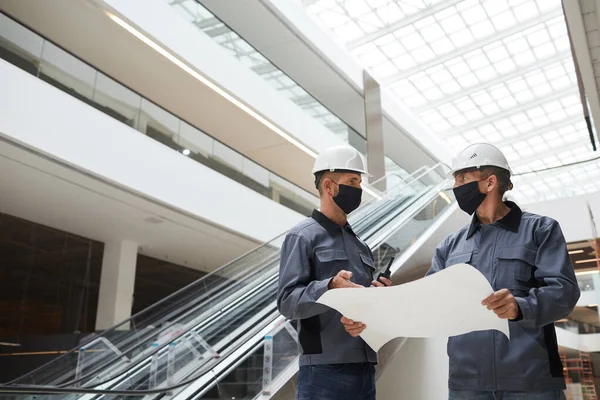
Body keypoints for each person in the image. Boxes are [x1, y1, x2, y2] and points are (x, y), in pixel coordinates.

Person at [430, 143, 580, 399]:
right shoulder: (449, 245)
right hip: (467, 383)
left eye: (463, 178)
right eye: (455, 180)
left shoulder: (540, 230)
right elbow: (429, 301)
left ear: (490, 183)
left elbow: (563, 291)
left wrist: (520, 306)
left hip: (530, 380)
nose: (456, 187)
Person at [276, 145, 392, 400]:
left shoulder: (361, 246)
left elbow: (363, 303)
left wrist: (379, 296)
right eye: (352, 181)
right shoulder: (302, 236)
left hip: (365, 367)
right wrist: (329, 287)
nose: (359, 189)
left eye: (360, 182)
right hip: (323, 370)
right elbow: (287, 302)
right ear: (329, 186)